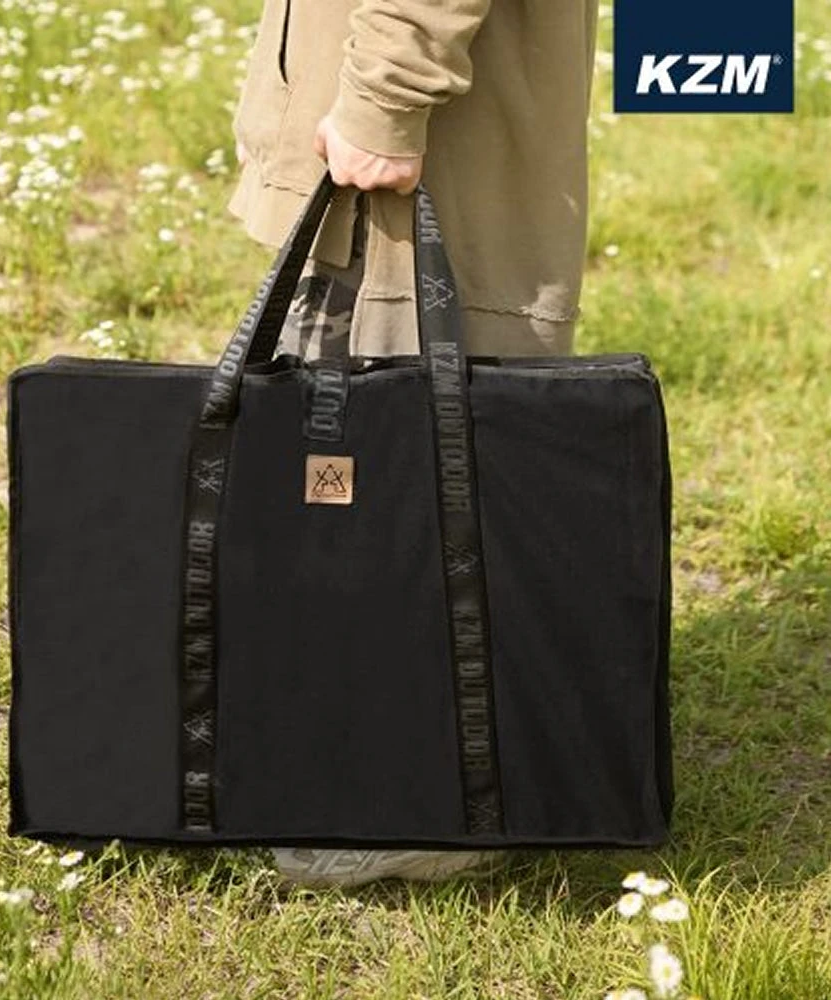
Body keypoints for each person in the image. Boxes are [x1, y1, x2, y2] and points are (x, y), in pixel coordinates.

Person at [226, 0, 600, 885]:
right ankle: (393, 758)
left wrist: (384, 98)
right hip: (374, 119)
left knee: (411, 463)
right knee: (368, 467)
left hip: (417, 139)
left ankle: (427, 800)